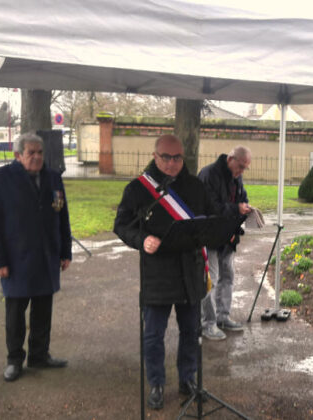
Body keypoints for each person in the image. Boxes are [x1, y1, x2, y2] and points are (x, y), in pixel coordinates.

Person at [114, 134, 216, 410]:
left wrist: (232, 214)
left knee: (190, 331)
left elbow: (212, 215)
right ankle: (157, 383)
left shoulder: (195, 187)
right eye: (166, 157)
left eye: (177, 157)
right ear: (155, 155)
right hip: (158, 272)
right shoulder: (138, 189)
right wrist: (140, 240)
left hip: (190, 270)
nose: (172, 163)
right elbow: (122, 225)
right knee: (153, 334)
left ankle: (188, 379)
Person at [0, 132, 72, 382]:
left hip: (46, 255)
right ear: (18, 155)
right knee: (15, 314)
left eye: (40, 152)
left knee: (43, 310)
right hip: (16, 259)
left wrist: (65, 251)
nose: (37, 157)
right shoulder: (2, 179)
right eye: (31, 153)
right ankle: (14, 360)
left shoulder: (53, 178)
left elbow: (62, 216)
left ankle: (39, 355)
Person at [197, 146, 252, 340]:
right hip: (209, 235)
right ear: (230, 159)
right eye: (240, 166)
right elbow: (211, 207)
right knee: (209, 280)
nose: (241, 171)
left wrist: (245, 207)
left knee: (227, 276)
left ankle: (222, 317)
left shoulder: (236, 177)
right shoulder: (208, 174)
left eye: (245, 168)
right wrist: (237, 208)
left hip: (228, 237)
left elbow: (241, 197)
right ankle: (207, 323)